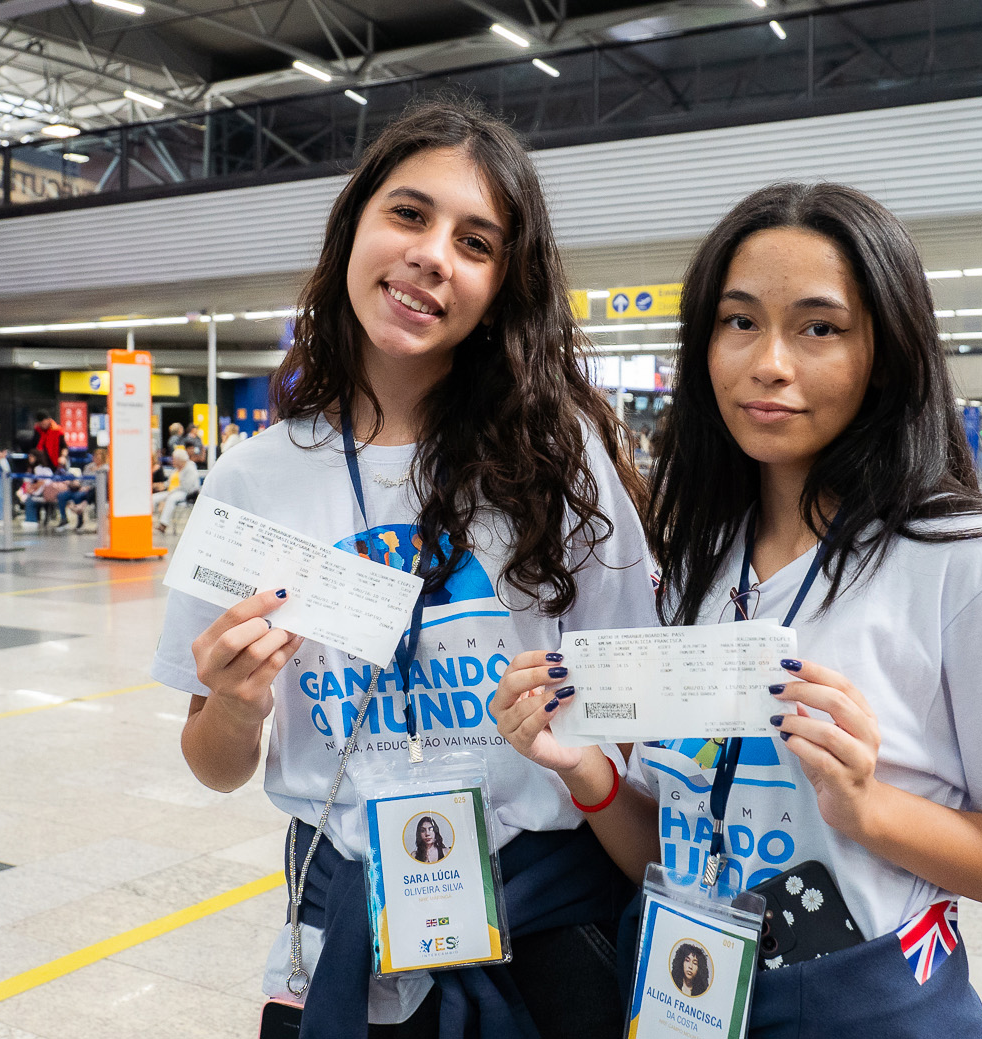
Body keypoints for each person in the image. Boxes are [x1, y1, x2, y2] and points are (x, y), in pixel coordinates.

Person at [496, 183, 982, 1037]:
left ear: (885, 351)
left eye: (819, 327)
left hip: (864, 1005)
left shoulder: (966, 562)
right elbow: (667, 853)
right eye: (738, 321)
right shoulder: (696, 567)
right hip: (684, 993)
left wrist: (866, 807)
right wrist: (586, 772)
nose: (768, 362)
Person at [150, 96, 658, 1039]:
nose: (432, 253)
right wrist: (237, 704)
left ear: (502, 286)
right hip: (343, 927)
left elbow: (637, 717)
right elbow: (215, 765)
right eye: (409, 214)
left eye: (477, 242)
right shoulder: (254, 480)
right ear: (355, 228)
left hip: (552, 932)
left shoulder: (565, 464)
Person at [151, 446, 201, 533]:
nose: (172, 461)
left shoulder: (190, 469)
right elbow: (170, 482)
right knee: (153, 498)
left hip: (186, 493)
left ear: (179, 459)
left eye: (174, 459)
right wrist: (162, 485)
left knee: (171, 499)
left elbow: (187, 487)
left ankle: (163, 524)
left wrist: (170, 492)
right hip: (171, 491)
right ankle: (148, 520)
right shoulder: (176, 469)